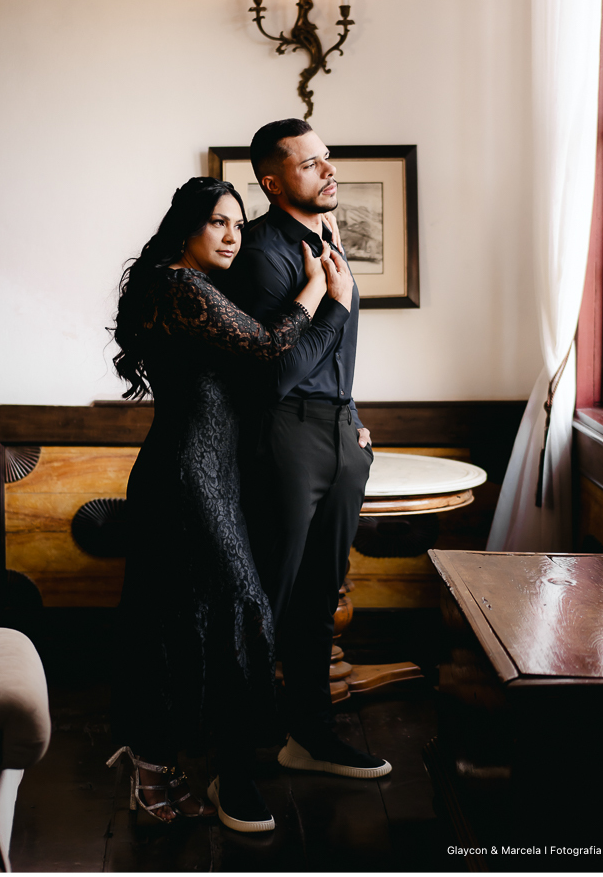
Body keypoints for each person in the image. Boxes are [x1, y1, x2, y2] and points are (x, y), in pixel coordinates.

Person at [106, 176, 353, 832]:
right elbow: (268, 349)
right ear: (186, 226)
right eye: (218, 222)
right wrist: (321, 294)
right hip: (187, 473)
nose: (232, 236)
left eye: (239, 226)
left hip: (207, 471)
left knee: (180, 619)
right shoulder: (179, 286)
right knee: (239, 608)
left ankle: (159, 763)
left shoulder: (194, 287)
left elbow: (257, 374)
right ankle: (181, 766)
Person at [220, 120, 392, 779]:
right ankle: (236, 762)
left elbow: (332, 358)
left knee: (320, 596)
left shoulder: (327, 241)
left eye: (328, 158)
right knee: (267, 598)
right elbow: (277, 374)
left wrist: (351, 419)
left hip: (337, 433)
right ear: (272, 182)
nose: (329, 170)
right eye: (310, 163)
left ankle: (311, 738)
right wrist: (335, 304)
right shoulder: (262, 254)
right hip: (284, 433)